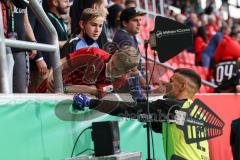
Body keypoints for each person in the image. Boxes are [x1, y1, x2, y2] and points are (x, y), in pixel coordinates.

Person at [73, 68, 209, 160]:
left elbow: (130, 110)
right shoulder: (196, 112)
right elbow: (160, 126)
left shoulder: (172, 106)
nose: (167, 83)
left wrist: (91, 103)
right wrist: (142, 101)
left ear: (183, 86)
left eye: (172, 81)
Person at [37, 46, 140, 98]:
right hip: (50, 87)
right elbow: (64, 62)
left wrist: (64, 88)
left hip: (70, 97)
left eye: (117, 70)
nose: (111, 68)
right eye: (112, 63)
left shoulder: (121, 81)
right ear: (115, 53)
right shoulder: (93, 53)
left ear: (127, 71)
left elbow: (94, 90)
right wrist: (51, 75)